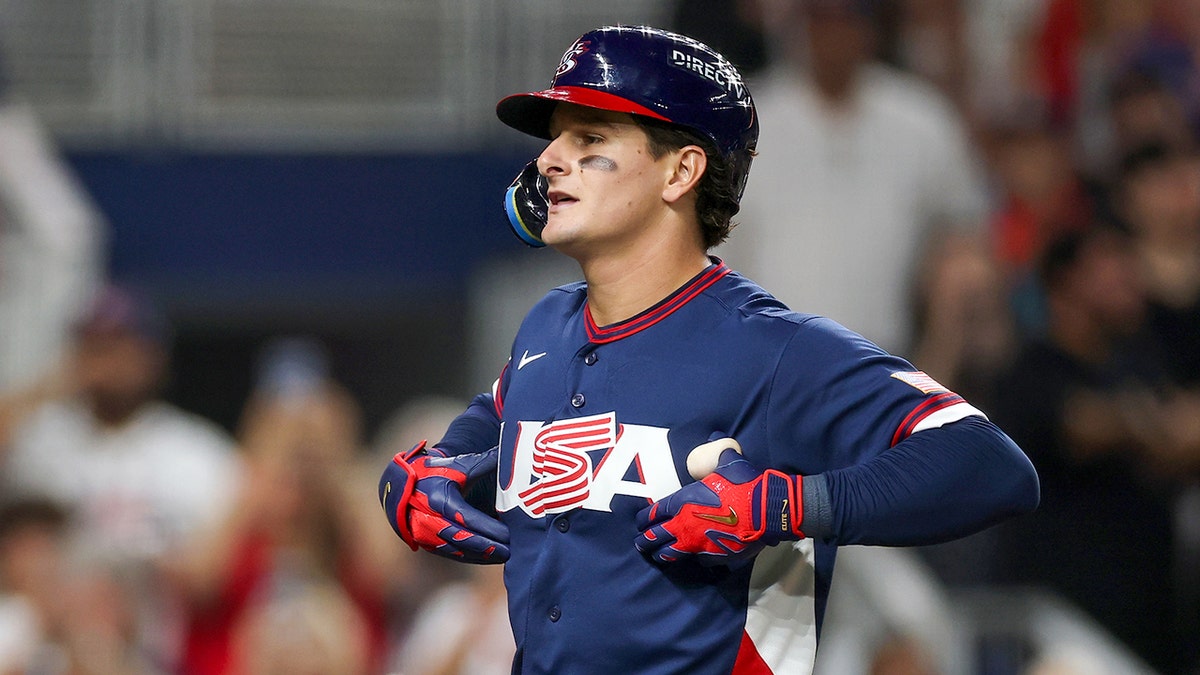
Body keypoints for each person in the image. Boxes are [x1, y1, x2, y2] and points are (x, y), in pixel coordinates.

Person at [378, 25, 1039, 675]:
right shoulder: (547, 328)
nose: (550, 161)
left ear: (682, 170)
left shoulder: (777, 348)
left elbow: (992, 466)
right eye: (555, 141)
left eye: (591, 139)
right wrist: (422, 474)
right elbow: (491, 420)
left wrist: (788, 504)